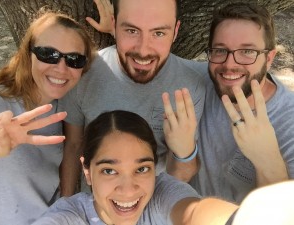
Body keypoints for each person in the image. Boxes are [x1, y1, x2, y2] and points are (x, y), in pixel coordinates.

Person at [59, 0, 205, 196]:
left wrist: (184, 151)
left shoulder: (189, 86)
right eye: (131, 31)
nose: (144, 50)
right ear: (114, 25)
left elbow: (181, 175)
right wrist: (66, 203)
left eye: (159, 33)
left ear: (176, 31)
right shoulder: (84, 74)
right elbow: (73, 146)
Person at [33, 110, 239, 225]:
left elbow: (195, 214)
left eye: (141, 169)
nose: (128, 190)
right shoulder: (69, 217)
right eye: (109, 171)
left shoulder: (162, 194)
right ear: (87, 172)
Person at [0, 11, 96, 225]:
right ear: (27, 53)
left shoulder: (70, 109)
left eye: (74, 59)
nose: (61, 68)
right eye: (48, 54)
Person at [187, 2, 294, 203]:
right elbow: (155, 59)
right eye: (220, 50)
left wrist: (269, 161)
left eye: (247, 52)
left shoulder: (289, 123)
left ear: (269, 58)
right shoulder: (200, 80)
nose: (229, 64)